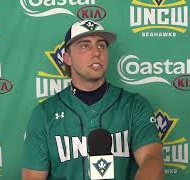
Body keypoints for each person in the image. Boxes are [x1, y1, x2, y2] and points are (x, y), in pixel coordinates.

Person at [22, 20, 164, 180]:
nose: (97, 52)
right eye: (85, 45)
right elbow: (32, 177)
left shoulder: (134, 105)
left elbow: (152, 159)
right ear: (67, 58)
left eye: (101, 45)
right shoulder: (44, 114)